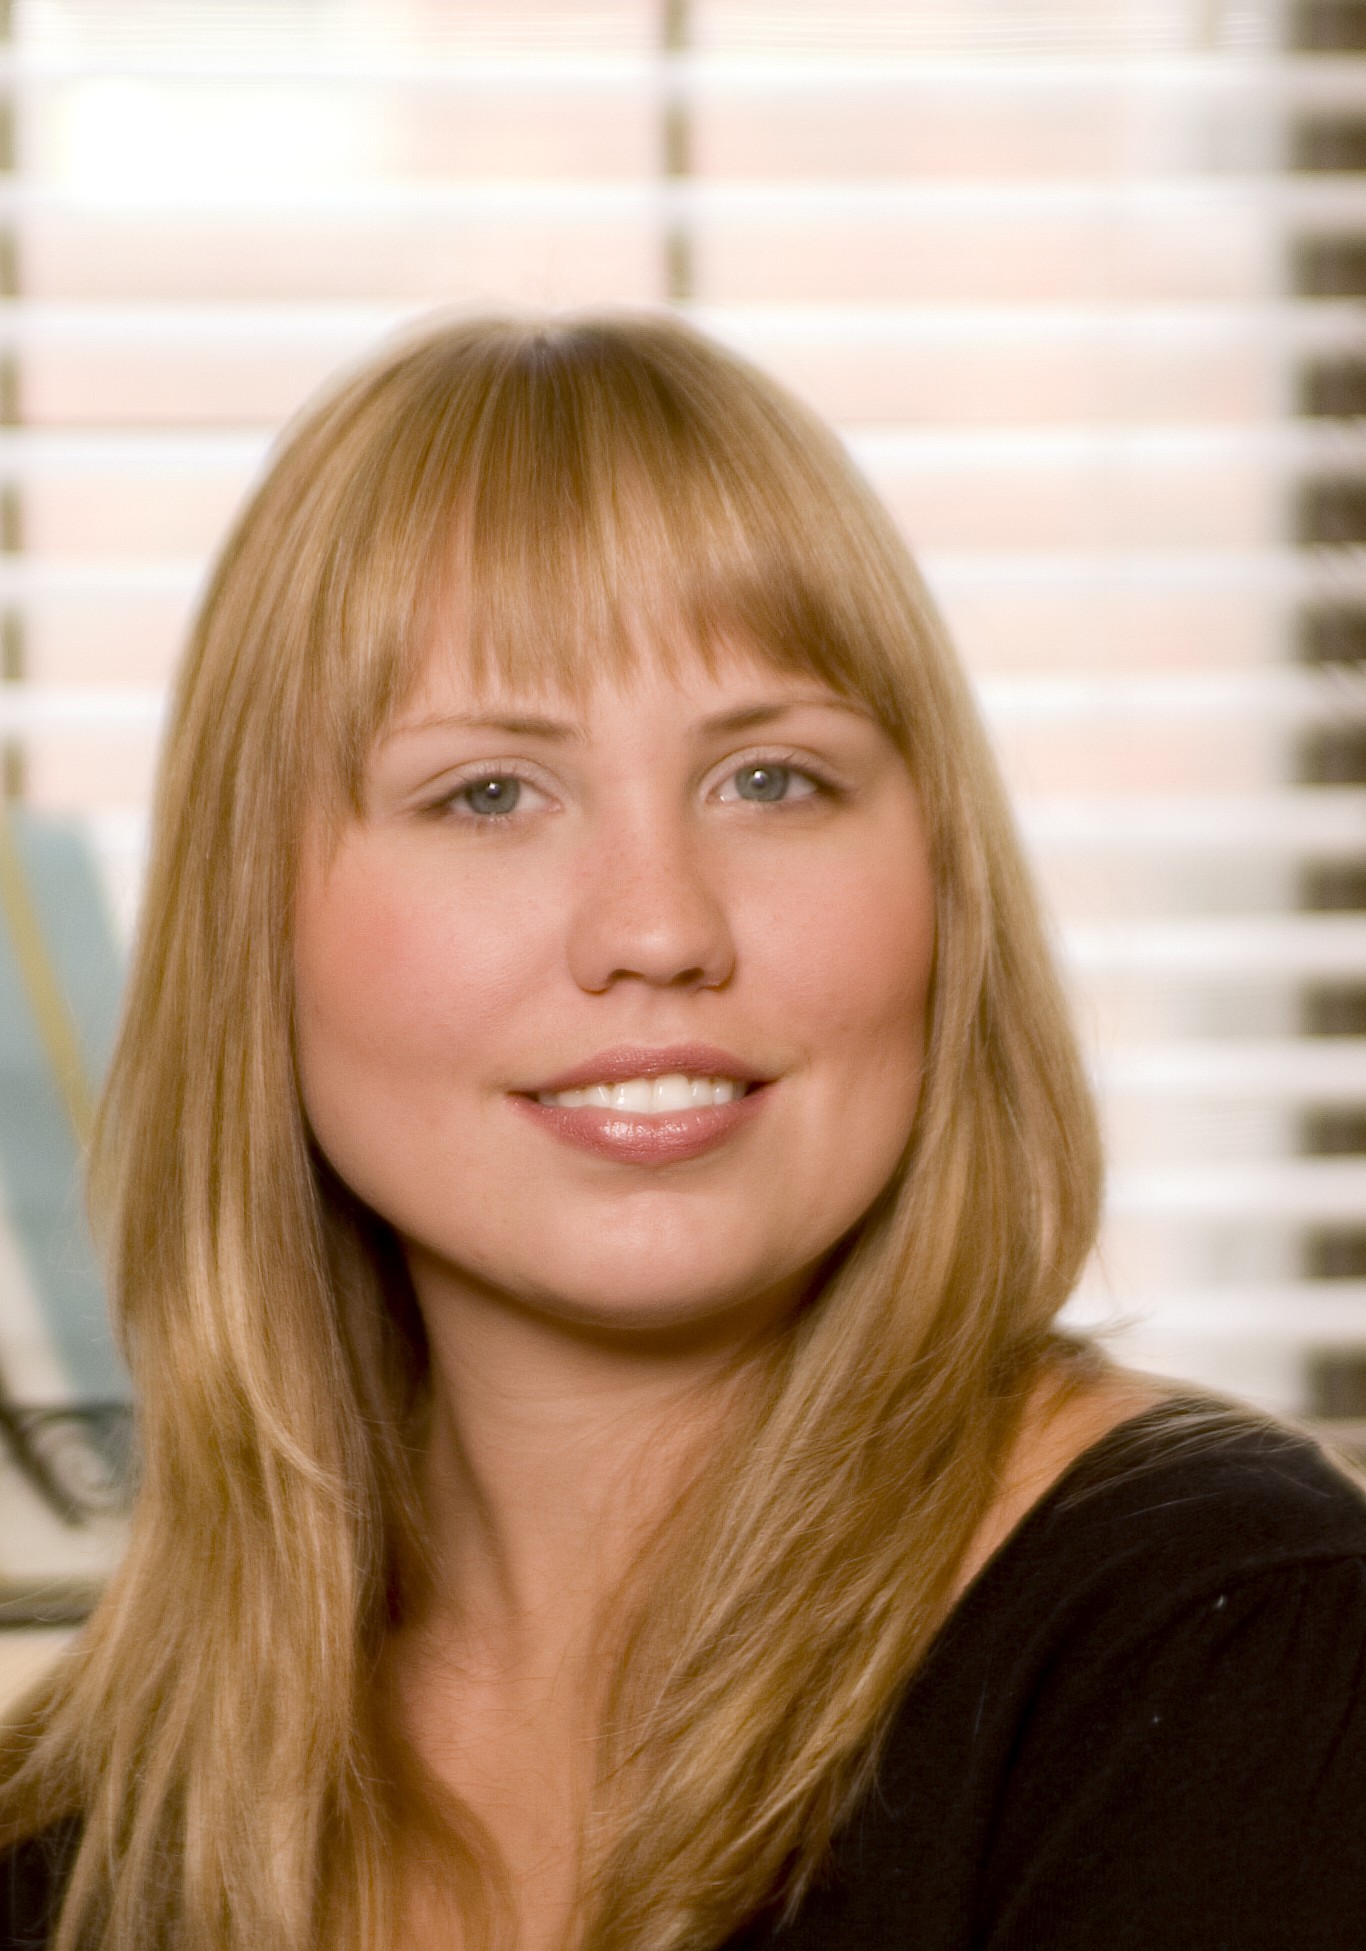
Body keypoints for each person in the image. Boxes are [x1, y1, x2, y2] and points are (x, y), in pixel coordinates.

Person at [2, 313, 1365, 1951]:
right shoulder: (86, 1818)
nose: (655, 929)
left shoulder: (1235, 1653)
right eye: (489, 794)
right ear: (252, 932)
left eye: (771, 780)